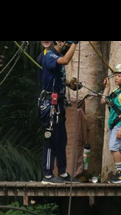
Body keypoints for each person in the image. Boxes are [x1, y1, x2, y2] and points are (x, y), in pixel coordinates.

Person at [38, 41, 78, 184]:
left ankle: (62, 172)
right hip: (49, 104)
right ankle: (47, 175)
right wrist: (75, 44)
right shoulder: (49, 55)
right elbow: (65, 61)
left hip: (59, 103)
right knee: (51, 138)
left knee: (62, 139)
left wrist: (70, 84)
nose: (66, 44)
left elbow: (56, 74)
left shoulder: (56, 55)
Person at [101, 63, 121, 184]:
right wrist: (107, 87)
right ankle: (120, 174)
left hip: (119, 124)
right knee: (115, 149)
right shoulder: (116, 91)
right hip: (113, 125)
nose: (116, 78)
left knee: (114, 148)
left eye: (119, 76)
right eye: (115, 75)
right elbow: (103, 101)